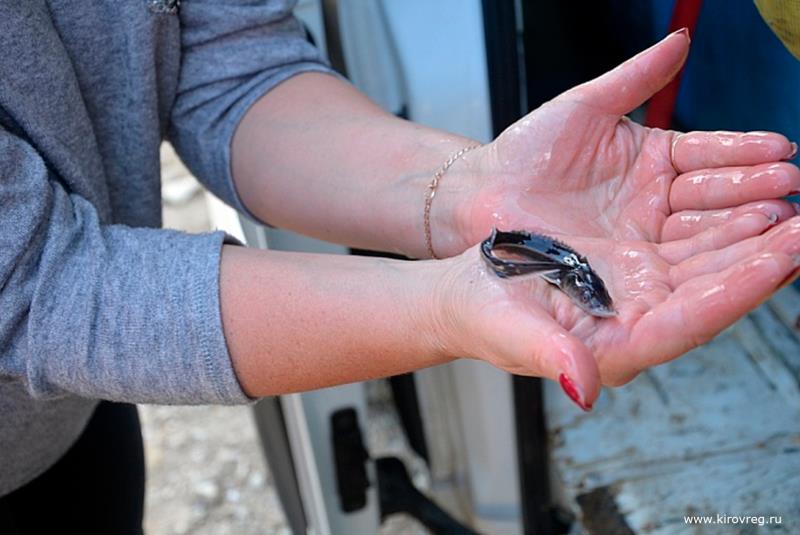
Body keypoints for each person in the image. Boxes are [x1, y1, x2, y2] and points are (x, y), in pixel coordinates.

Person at [1, 1, 799, 533]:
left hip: (69, 427)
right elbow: (38, 285)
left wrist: (465, 188)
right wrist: (441, 307)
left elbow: (224, 60)